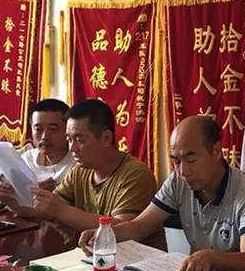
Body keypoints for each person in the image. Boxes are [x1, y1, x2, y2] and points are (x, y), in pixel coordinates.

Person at [78, 115, 245, 271]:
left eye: (191, 160)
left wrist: (211, 257)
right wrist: (104, 235)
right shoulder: (178, 181)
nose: (183, 171)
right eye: (176, 162)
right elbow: (140, 226)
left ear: (217, 152)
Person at [9, 99, 163, 247]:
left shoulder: (135, 174)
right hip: (90, 255)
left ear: (106, 139)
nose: (72, 148)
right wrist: (10, 199)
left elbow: (122, 230)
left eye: (80, 140)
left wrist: (62, 210)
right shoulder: (80, 171)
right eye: (69, 140)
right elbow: (47, 210)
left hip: (134, 260)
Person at [0, 99, 75, 215]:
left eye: (53, 129)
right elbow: (21, 209)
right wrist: (3, 192)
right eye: (38, 129)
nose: (45, 136)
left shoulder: (78, 162)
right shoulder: (26, 159)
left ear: (68, 130)